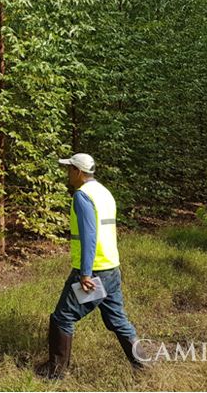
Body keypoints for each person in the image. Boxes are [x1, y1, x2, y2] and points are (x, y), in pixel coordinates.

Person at [36, 153, 148, 378]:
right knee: (118, 320)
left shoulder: (82, 195)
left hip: (94, 271)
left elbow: (89, 235)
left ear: (78, 172)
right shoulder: (104, 193)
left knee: (63, 317)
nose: (67, 174)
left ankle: (55, 373)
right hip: (111, 268)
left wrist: (85, 274)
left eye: (69, 169)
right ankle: (146, 366)